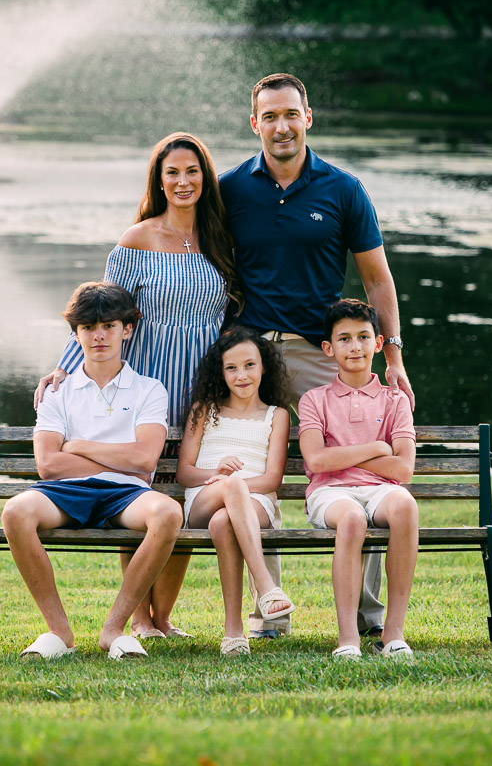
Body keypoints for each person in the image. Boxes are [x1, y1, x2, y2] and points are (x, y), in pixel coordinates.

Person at [219, 72, 415, 639]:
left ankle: (367, 616)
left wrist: (393, 354)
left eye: (291, 114)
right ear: (255, 124)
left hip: (318, 355)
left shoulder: (343, 189)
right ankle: (268, 614)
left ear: (309, 118)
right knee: (256, 479)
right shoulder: (231, 189)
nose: (282, 126)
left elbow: (377, 281)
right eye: (270, 116)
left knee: (365, 473)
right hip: (250, 357)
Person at [33, 132, 238, 638]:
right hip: (147, 377)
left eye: (192, 171)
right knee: (137, 490)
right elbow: (101, 312)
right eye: (172, 173)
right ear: (159, 180)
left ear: (205, 178)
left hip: (199, 383)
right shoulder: (136, 239)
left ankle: (162, 616)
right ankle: (139, 618)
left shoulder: (221, 240)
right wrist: (65, 364)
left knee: (182, 498)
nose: (183, 181)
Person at [2, 281, 183, 660]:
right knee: (16, 512)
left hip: (126, 493)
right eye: (88, 327)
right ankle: (59, 634)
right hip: (67, 491)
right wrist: (120, 455)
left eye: (109, 326)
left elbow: (145, 460)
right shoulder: (57, 392)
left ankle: (113, 629)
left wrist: (79, 445)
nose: (99, 335)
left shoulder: (149, 389)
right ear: (76, 333)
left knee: (167, 512)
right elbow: (49, 464)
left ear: (127, 329)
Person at [298, 299, 418, 658]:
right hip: (330, 492)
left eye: (363, 337)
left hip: (381, 491)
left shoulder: (394, 400)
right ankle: (348, 637)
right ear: (328, 348)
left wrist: (350, 456)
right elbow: (317, 461)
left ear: (378, 344)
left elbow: (403, 470)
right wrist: (378, 447)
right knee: (351, 519)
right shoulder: (314, 399)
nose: (355, 347)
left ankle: (393, 634)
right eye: (345, 339)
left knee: (405, 507)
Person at [176, 327, 295, 655]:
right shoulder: (205, 410)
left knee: (223, 522)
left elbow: (272, 479)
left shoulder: (277, 415)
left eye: (249, 365)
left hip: (256, 503)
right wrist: (217, 475)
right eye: (231, 368)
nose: (241, 375)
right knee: (228, 490)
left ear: (263, 367)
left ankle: (234, 633)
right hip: (203, 498)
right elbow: (184, 472)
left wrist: (236, 487)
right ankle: (266, 588)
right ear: (221, 372)